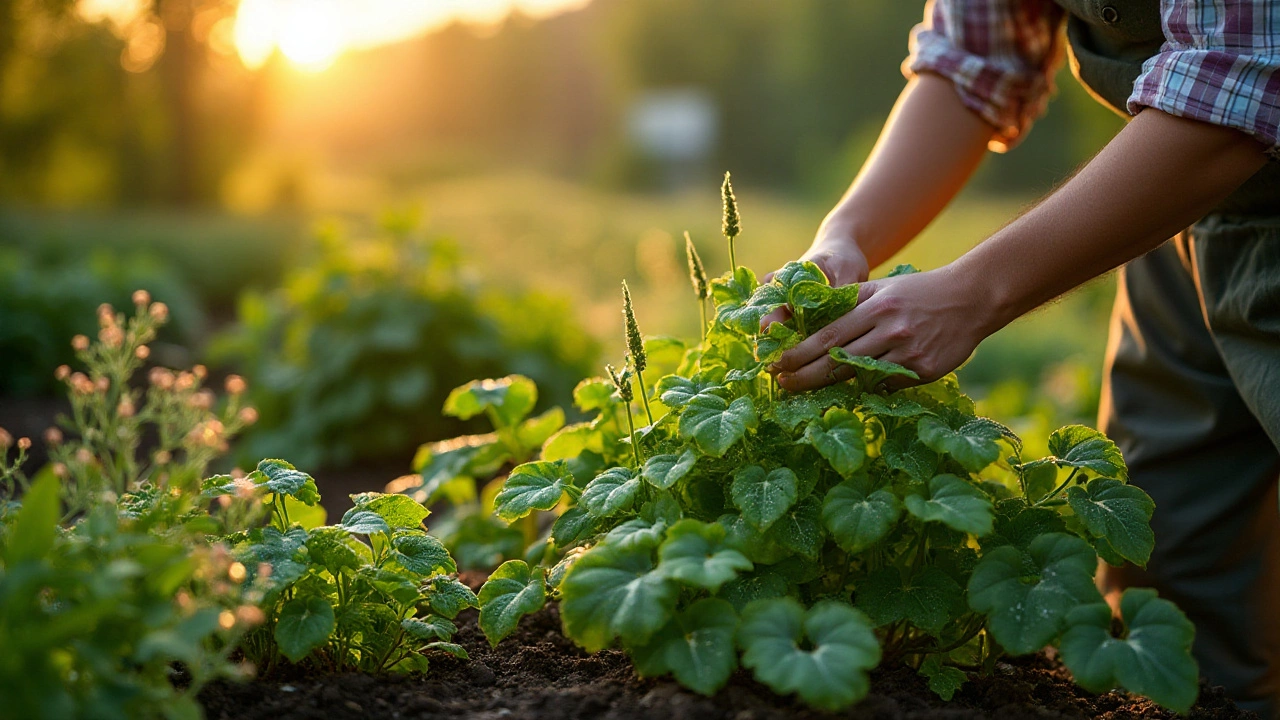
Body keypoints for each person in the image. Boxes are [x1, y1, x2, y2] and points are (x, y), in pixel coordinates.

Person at [763, 1, 1280, 716]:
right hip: (1177, 213)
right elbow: (975, 56)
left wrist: (972, 294)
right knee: (1174, 577)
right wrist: (843, 236)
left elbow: (1246, 75)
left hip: (1214, 156)